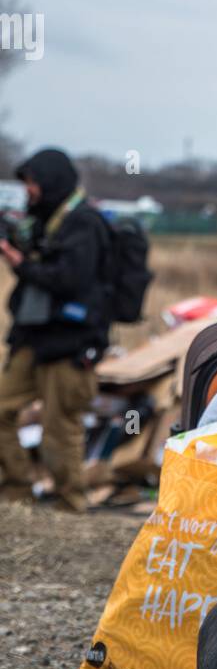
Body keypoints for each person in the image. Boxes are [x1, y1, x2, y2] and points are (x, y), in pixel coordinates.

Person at [0, 148, 112, 513]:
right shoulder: (45, 220)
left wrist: (20, 262)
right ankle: (17, 491)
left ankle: (70, 504)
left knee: (60, 427)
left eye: (32, 182)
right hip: (33, 338)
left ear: (50, 182)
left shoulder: (84, 223)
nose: (28, 190)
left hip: (70, 343)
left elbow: (69, 280)